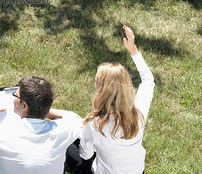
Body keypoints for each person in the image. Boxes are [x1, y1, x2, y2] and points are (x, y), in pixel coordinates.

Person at [66, 25, 155, 174]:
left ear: (100, 89)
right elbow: (148, 81)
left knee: (70, 145)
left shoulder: (95, 124)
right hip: (138, 171)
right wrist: (133, 50)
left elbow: (85, 155)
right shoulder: (139, 112)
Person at [0, 76, 82, 174]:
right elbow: (76, 119)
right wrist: (43, 108)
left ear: (24, 106)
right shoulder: (63, 130)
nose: (13, 97)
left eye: (15, 95)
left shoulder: (0, 136)